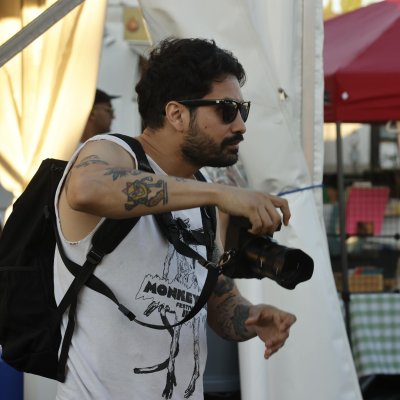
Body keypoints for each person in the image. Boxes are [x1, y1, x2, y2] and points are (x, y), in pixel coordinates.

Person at [55, 37, 296, 400]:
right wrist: (219, 194)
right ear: (177, 114)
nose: (241, 125)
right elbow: (85, 189)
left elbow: (215, 300)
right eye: (227, 110)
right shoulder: (112, 152)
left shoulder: (202, 196)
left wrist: (251, 316)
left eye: (243, 110)